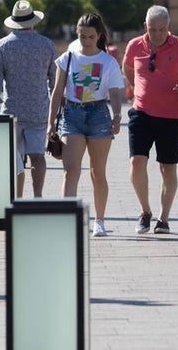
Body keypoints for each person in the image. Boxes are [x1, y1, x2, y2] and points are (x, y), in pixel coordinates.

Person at [48, 13, 125, 237]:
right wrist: (50, 122)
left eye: (91, 36)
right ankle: (67, 219)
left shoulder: (108, 61)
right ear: (76, 34)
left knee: (97, 172)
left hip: (99, 114)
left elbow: (114, 92)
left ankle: (99, 221)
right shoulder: (68, 57)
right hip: (72, 114)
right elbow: (57, 92)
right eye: (82, 36)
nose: (86, 41)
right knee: (70, 170)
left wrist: (117, 115)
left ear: (99, 35)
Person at [123, 5, 178, 234]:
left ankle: (163, 218)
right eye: (152, 29)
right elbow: (127, 69)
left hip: (170, 116)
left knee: (167, 168)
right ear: (145, 27)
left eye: (161, 30)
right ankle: (145, 211)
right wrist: (139, 88)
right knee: (136, 162)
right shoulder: (135, 45)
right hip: (141, 113)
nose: (156, 34)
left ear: (169, 27)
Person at [0, 0, 56, 198]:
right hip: (38, 110)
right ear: (33, 21)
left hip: (11, 112)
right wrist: (55, 114)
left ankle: (17, 199)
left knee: (15, 160)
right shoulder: (47, 45)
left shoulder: (3, 46)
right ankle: (38, 197)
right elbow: (54, 82)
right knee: (38, 158)